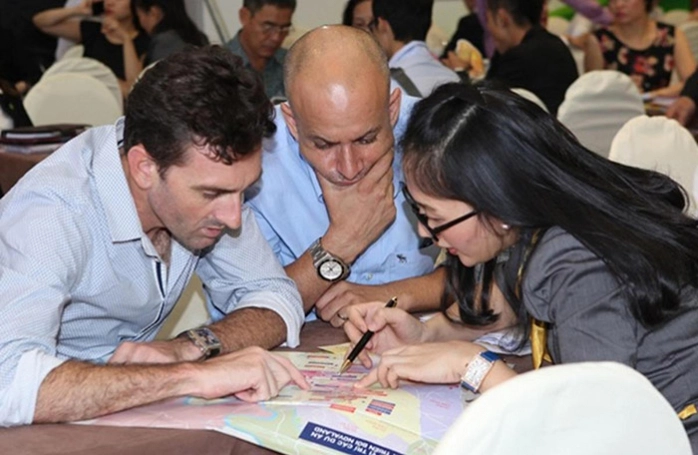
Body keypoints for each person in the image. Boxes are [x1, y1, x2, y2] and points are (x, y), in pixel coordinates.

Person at [343, 81, 698, 450]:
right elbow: (508, 300)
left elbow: (590, 426)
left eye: (434, 217)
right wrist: (426, 335)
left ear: (495, 205)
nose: (424, 231)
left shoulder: (578, 260)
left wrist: (473, 365)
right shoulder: (537, 223)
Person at [0, 46, 307, 427]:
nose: (233, 217)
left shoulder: (211, 181)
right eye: (211, 194)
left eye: (243, 190)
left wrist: (190, 347)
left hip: (120, 413)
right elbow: (7, 382)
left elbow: (277, 296)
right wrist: (190, 376)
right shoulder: (53, 212)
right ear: (144, 168)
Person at [245, 25, 443, 327]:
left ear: (392, 110)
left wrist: (392, 294)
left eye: (366, 139)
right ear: (293, 123)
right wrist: (342, 243)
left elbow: (492, 275)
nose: (349, 168)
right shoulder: (254, 167)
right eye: (324, 145)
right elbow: (247, 312)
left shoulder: (436, 138)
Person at [33, 0, 149, 98]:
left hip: (115, 105)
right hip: (82, 96)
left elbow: (134, 88)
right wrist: (77, 10)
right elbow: (41, 23)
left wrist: (126, 39)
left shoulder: (145, 41)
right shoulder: (94, 30)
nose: (110, 3)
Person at [481, 0, 578, 114]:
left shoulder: (517, 60)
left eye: (488, 20)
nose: (488, 28)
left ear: (502, 19)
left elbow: (483, 105)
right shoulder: (556, 44)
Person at [586, 0, 696, 95]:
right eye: (613, 0)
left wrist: (654, 95)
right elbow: (592, 90)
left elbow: (692, 82)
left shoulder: (670, 35)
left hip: (659, 108)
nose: (619, 5)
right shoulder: (600, 40)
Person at [370, 0, 460, 97]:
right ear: (430, 25)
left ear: (382, 25)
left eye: (371, 26)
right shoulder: (454, 79)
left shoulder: (385, 88)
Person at [121, 0, 209, 88]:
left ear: (154, 12)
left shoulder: (165, 42)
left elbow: (158, 86)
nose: (141, 23)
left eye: (139, 16)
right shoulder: (200, 37)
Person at [226, 0, 295, 101]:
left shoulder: (292, 64)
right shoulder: (218, 66)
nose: (276, 37)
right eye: (268, 27)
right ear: (244, 16)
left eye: (284, 28)